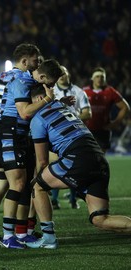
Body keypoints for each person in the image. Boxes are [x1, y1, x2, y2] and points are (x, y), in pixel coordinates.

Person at [0, 59, 63, 248]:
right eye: (51, 83)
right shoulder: (21, 82)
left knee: (26, 185)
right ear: (43, 77)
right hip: (9, 134)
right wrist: (47, 100)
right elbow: (24, 113)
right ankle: (7, 236)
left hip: (21, 136)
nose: (51, 87)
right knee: (17, 183)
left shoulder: (32, 83)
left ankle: (21, 232)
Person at [25, 85, 131, 249]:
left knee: (37, 186)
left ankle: (48, 238)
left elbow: (43, 161)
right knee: (99, 219)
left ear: (38, 99)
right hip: (99, 158)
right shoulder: (62, 107)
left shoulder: (38, 118)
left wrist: (37, 179)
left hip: (78, 158)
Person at [50, 65, 92, 210]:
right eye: (59, 73)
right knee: (56, 165)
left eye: (64, 72)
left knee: (74, 166)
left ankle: (73, 199)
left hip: (74, 134)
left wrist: (71, 119)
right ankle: (54, 200)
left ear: (69, 74)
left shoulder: (79, 92)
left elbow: (87, 113)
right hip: (54, 133)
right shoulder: (51, 91)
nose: (62, 75)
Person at [83, 67, 130, 153]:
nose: (99, 79)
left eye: (102, 77)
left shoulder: (110, 91)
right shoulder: (84, 91)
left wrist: (115, 123)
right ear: (92, 78)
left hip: (103, 130)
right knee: (87, 158)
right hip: (87, 130)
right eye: (97, 76)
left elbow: (125, 107)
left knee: (100, 160)